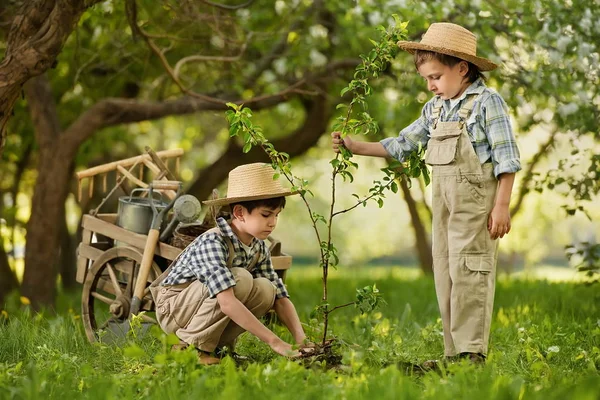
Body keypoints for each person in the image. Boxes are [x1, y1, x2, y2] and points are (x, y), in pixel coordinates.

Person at [332, 23, 521, 364]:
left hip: (477, 204)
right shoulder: (435, 108)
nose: (431, 85)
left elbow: (507, 158)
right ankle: (454, 353)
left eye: (436, 76)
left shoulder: (486, 103)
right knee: (446, 269)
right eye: (426, 79)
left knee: (469, 269)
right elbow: (403, 145)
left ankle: (471, 351)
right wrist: (354, 146)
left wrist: (502, 206)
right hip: (445, 205)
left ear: (462, 68)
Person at [150, 163, 309, 365]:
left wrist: (301, 341)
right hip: (175, 310)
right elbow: (226, 302)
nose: (273, 222)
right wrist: (274, 342)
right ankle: (186, 348)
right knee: (240, 279)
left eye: (276, 215)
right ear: (240, 212)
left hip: (202, 306)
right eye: (266, 215)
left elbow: (280, 298)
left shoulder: (258, 246)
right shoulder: (214, 241)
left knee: (267, 290)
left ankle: (215, 347)